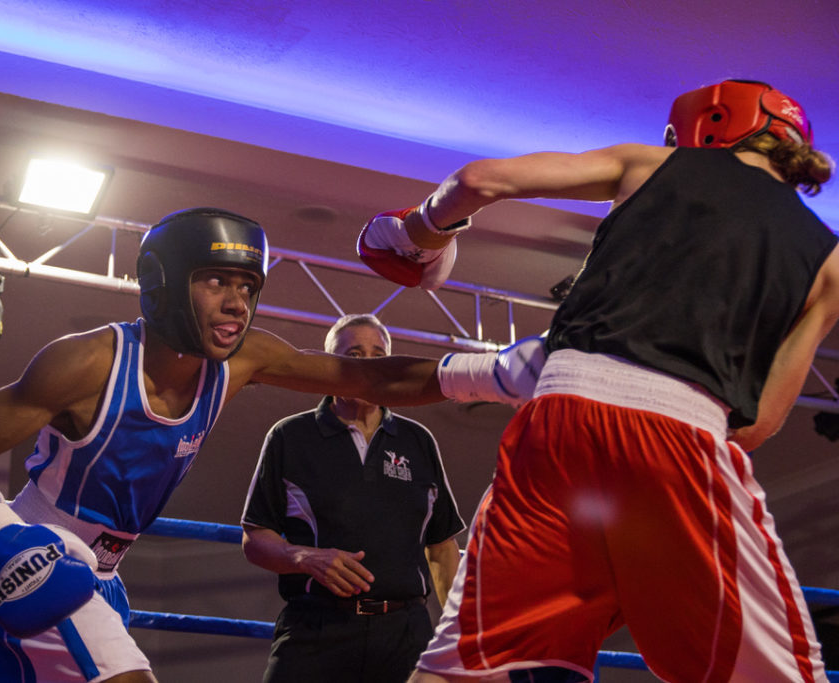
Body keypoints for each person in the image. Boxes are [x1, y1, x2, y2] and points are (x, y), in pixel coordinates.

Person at [357, 79, 839, 682]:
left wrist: (418, 234)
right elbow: (761, 423)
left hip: (556, 420)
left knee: (466, 666)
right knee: (782, 674)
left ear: (708, 125)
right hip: (680, 437)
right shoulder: (830, 262)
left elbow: (479, 181)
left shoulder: (649, 163)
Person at [0, 207, 471, 683]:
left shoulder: (240, 362)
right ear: (165, 281)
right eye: (216, 282)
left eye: (247, 287)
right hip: (43, 557)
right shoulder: (88, 363)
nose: (236, 303)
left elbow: (372, 380)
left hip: (107, 577)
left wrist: (492, 372)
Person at [240, 313, 465, 683]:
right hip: (316, 627)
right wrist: (302, 556)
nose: (368, 366)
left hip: (404, 632)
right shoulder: (290, 436)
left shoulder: (418, 440)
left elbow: (441, 547)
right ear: (329, 366)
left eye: (378, 355)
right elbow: (254, 539)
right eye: (355, 354)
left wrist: (459, 631)